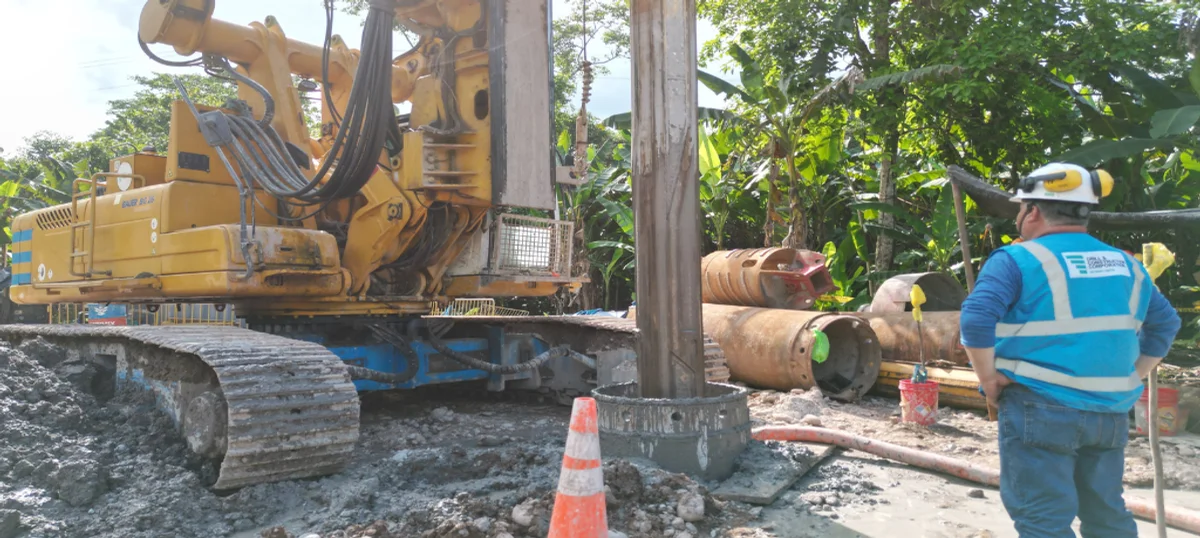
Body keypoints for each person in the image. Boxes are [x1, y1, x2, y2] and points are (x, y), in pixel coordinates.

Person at [959, 162, 1182, 537]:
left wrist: (989, 380)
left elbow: (976, 319)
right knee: (1107, 515)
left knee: (1043, 520)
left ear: (1032, 211)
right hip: (1108, 414)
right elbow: (1167, 325)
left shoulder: (1017, 259)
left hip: (1039, 405)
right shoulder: (1127, 265)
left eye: (1021, 208)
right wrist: (1131, 376)